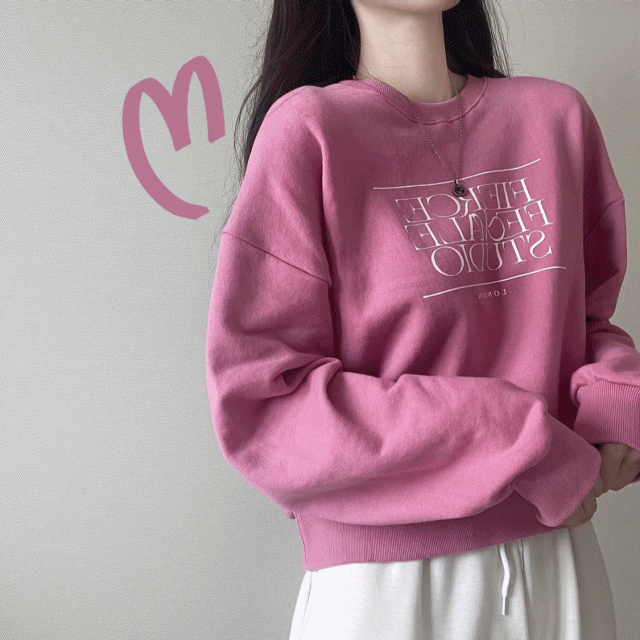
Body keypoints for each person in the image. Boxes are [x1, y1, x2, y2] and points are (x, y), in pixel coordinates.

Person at [205, 0, 640, 638]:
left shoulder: (554, 118)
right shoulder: (310, 131)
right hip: (388, 589)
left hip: (560, 563)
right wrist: (519, 444)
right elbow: (263, 406)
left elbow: (586, 320)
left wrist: (617, 394)